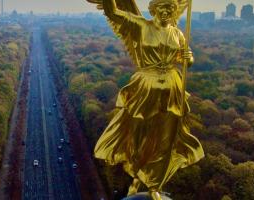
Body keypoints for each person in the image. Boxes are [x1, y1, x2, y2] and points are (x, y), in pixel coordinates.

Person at [86, 0, 204, 199]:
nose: (166, 12)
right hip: (146, 87)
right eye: (162, 8)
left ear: (174, 11)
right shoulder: (140, 25)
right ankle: (137, 174)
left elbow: (187, 60)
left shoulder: (177, 33)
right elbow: (113, 12)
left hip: (172, 88)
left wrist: (188, 58)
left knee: (166, 140)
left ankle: (154, 186)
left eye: (170, 9)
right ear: (153, 10)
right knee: (138, 137)